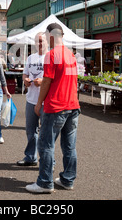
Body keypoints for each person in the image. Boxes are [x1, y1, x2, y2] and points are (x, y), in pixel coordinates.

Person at [26, 23, 80, 194]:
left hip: (56, 106)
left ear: (50, 35)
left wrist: (38, 103)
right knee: (69, 146)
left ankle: (44, 182)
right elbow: (71, 81)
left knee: (46, 145)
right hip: (72, 105)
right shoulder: (71, 55)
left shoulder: (52, 54)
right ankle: (67, 179)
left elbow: (47, 81)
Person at [16, 33, 48, 166]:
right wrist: (26, 80)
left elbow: (54, 78)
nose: (39, 44)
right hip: (31, 99)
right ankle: (30, 157)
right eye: (36, 41)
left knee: (46, 134)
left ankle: (47, 162)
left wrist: (43, 81)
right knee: (31, 131)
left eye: (41, 41)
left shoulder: (50, 57)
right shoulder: (30, 58)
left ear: (47, 41)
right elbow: (25, 73)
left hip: (46, 101)